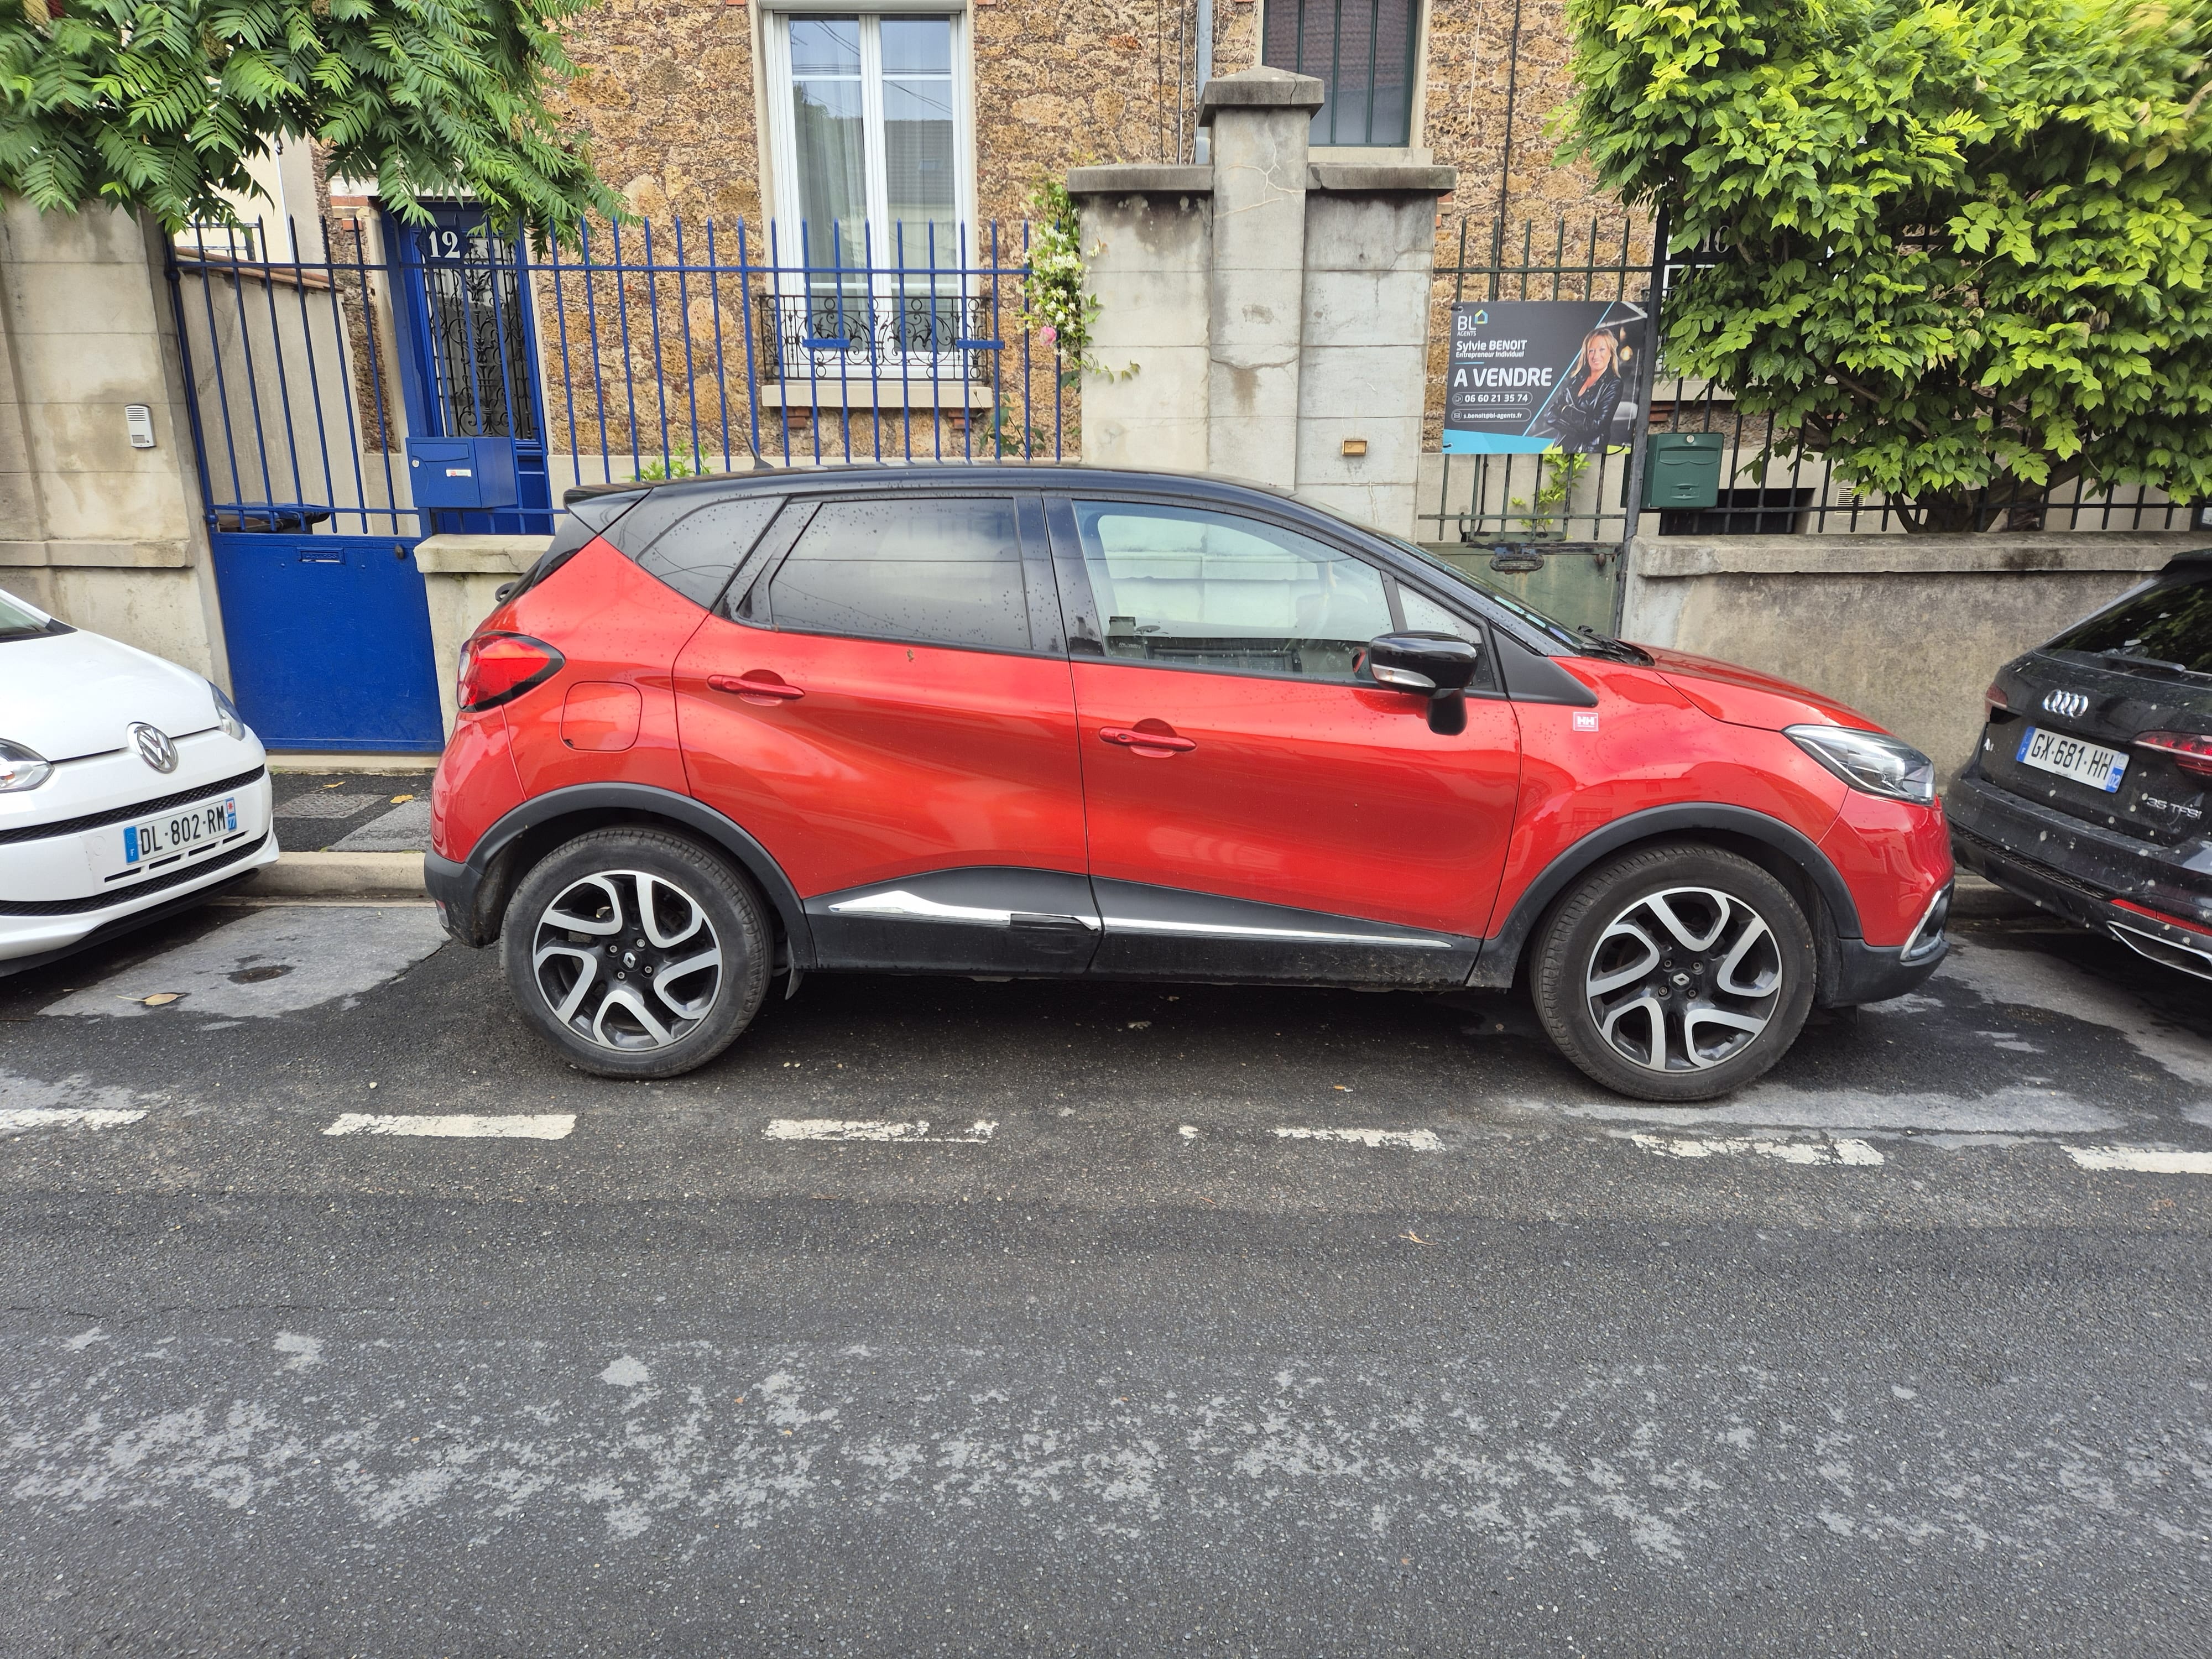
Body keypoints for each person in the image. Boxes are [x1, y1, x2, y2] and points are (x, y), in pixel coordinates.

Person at [1534, 328, 1626, 453]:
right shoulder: (1577, 379)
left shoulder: (1613, 384)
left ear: (1611, 353)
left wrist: (1565, 410)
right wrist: (1579, 429)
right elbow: (1550, 415)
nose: (1596, 355)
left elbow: (1594, 427)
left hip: (1590, 454)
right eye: (1591, 351)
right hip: (1566, 452)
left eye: (1602, 349)